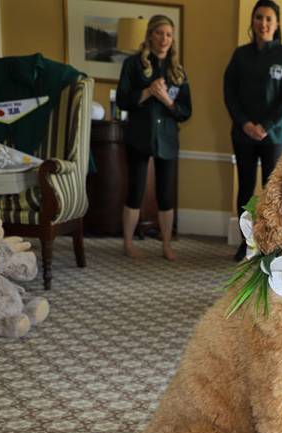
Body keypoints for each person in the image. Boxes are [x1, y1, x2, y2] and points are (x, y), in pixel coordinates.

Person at [223, 0, 282, 262]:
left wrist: (265, 127)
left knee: (273, 192)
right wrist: (246, 123)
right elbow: (230, 93)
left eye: (268, 19)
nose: (263, 23)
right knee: (245, 189)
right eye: (258, 18)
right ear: (252, 22)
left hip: (274, 136)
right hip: (243, 133)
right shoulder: (240, 55)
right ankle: (245, 244)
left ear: (276, 24)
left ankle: (269, 246)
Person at [115, 14, 191, 261]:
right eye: (160, 33)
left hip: (167, 140)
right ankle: (127, 243)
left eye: (169, 34)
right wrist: (148, 91)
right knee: (135, 191)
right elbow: (124, 100)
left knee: (166, 195)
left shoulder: (178, 70)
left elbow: (185, 111)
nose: (164, 39)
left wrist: (167, 100)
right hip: (139, 136)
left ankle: (166, 245)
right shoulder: (133, 64)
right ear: (150, 35)